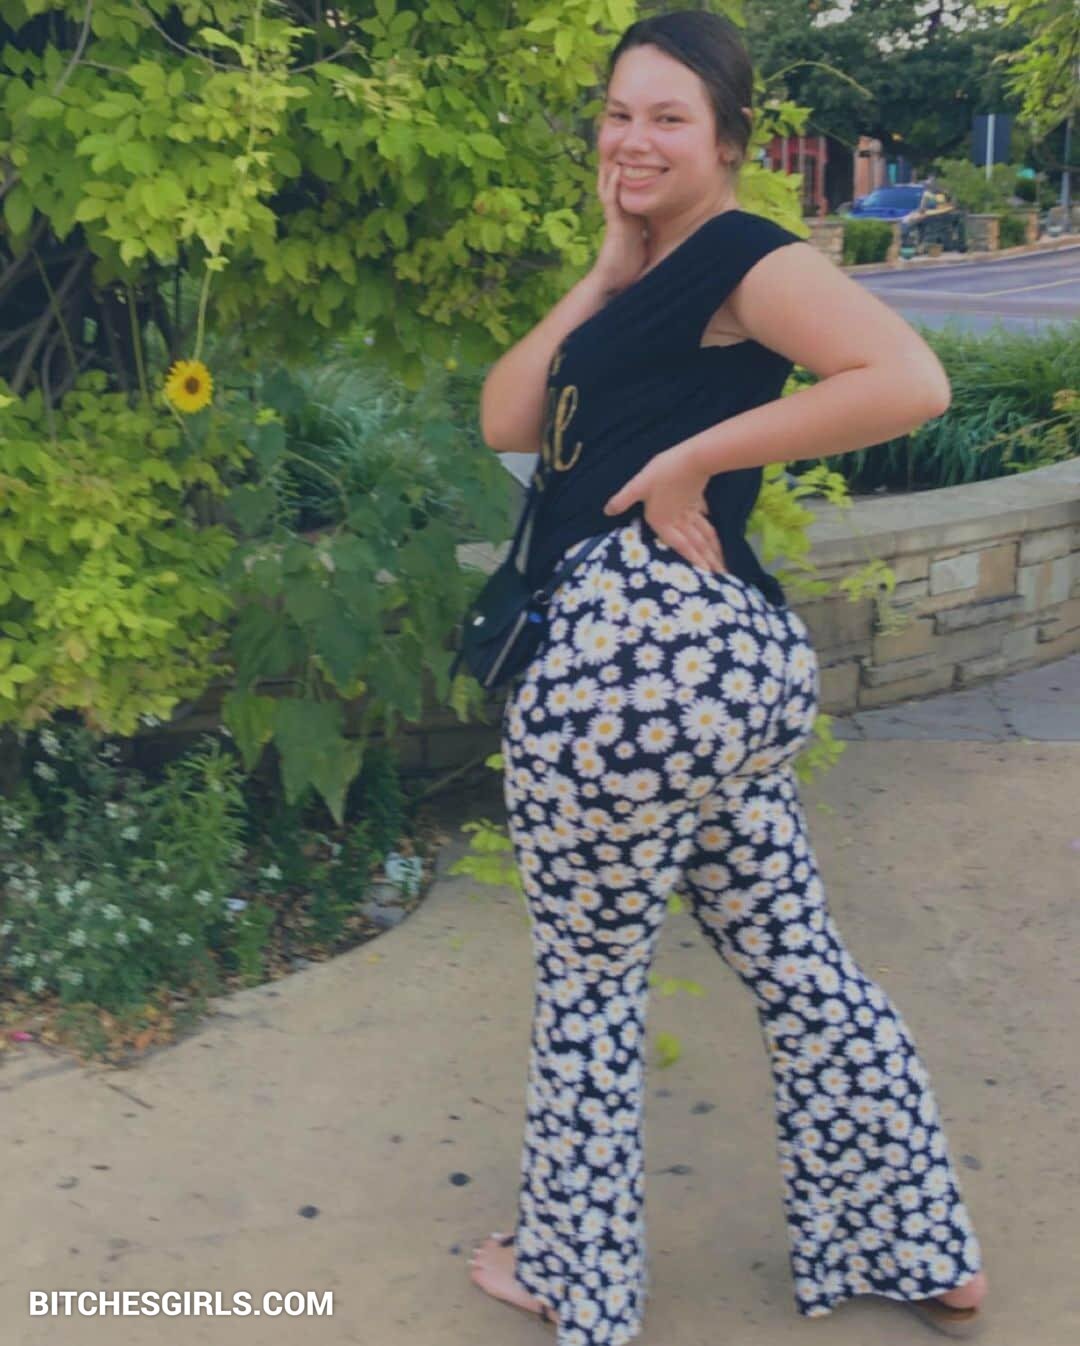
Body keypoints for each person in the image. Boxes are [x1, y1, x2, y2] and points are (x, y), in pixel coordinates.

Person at [467, 11, 988, 1344]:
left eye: (668, 118)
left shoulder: (746, 254)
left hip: (625, 673)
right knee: (797, 959)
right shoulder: (647, 272)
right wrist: (602, 270)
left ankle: (575, 1275)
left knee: (591, 988)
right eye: (618, 113)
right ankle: (916, 1241)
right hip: (719, 685)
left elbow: (909, 379)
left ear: (732, 140)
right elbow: (508, 418)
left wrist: (697, 458)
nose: (633, 140)